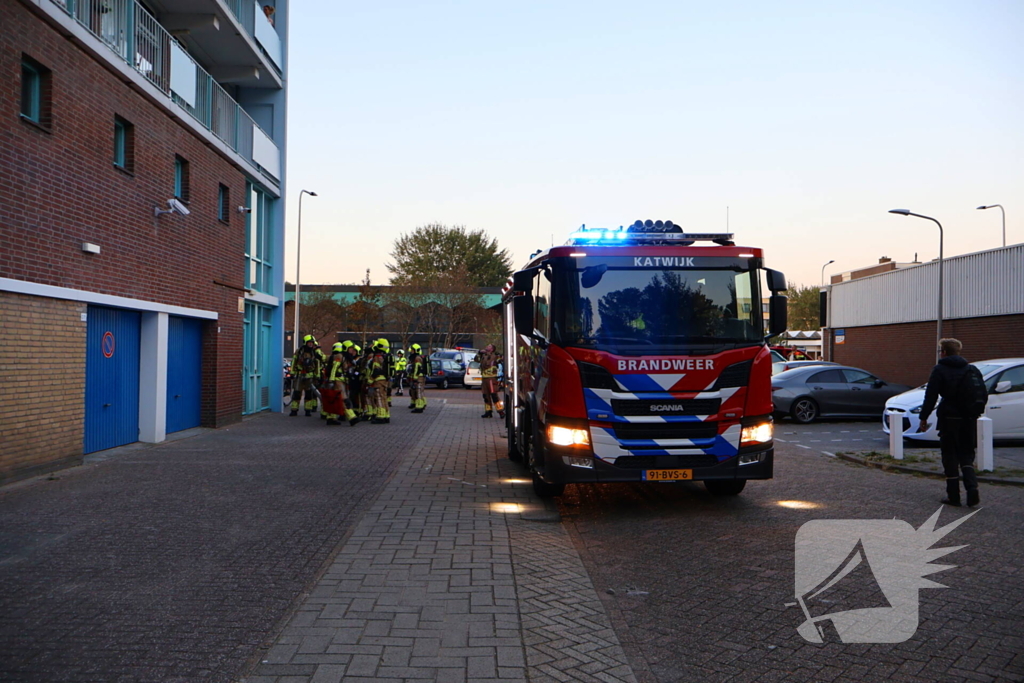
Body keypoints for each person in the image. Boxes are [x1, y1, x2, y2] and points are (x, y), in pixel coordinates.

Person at [917, 338, 983, 508]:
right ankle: (972, 488)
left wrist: (923, 417)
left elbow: (931, 396)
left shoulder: (940, 370)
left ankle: (953, 495)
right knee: (967, 454)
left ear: (944, 352)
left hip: (949, 418)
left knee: (950, 455)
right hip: (968, 418)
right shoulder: (972, 369)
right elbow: (982, 393)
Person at [289, 334, 325, 417]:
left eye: (312, 343)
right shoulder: (299, 351)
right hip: (300, 375)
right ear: (305, 343)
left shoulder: (314, 352)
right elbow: (294, 362)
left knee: (309, 394)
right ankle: (294, 410)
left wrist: (317, 375)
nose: (311, 344)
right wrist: (292, 372)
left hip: (310, 376)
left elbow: (318, 364)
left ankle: (308, 410)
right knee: (297, 393)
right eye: (309, 343)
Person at [475, 344, 505, 419]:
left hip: (491, 378)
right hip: (484, 378)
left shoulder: (495, 356)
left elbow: (501, 359)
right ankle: (488, 411)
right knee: (485, 395)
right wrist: (479, 353)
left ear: (492, 349)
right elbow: (476, 360)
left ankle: (501, 411)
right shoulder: (483, 355)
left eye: (489, 346)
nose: (486, 347)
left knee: (494, 395)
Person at [369, 339, 391, 424]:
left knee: (378, 398)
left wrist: (370, 380)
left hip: (378, 380)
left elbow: (375, 370)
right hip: (385, 380)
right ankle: (386, 415)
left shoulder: (377, 357)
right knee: (384, 398)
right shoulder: (385, 356)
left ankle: (380, 417)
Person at [407, 343, 429, 413]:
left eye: (412, 350)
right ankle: (423, 404)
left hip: (419, 377)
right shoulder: (416, 358)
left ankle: (419, 407)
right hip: (419, 376)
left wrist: (415, 377)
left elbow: (417, 368)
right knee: (418, 391)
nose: (411, 352)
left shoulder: (417, 358)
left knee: (419, 391)